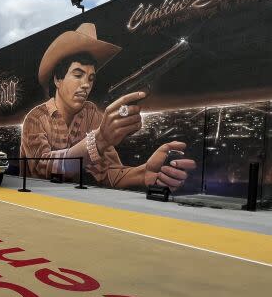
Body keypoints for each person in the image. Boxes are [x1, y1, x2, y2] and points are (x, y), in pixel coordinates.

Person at [19, 23, 196, 190]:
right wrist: (99, 139)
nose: (86, 85)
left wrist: (144, 173)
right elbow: (45, 169)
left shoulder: (91, 113)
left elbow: (109, 173)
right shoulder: (36, 118)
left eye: (90, 78)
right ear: (58, 79)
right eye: (78, 75)